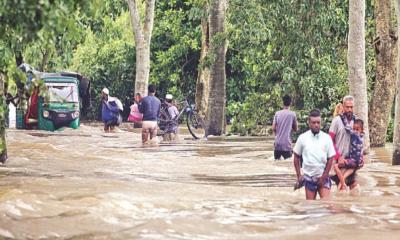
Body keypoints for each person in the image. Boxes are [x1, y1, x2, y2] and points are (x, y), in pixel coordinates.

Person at [293, 109, 336, 200]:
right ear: (309, 123)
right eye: (313, 122)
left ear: (321, 123)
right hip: (309, 178)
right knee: (310, 206)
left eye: (318, 122)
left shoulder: (327, 138)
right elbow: (296, 157)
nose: (316, 125)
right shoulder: (302, 138)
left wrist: (324, 176)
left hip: (323, 177)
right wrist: (299, 176)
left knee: (326, 205)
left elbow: (331, 158)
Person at [329, 95, 360, 190]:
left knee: (355, 188)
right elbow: (329, 140)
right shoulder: (337, 121)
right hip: (339, 161)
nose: (350, 109)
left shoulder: (356, 121)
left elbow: (359, 141)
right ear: (343, 106)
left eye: (351, 107)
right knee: (342, 189)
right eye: (347, 107)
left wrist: (359, 155)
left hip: (350, 161)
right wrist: (338, 156)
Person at [333, 119, 364, 190]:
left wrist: (342, 118)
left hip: (353, 160)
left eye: (357, 129)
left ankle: (342, 183)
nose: (355, 131)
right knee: (351, 170)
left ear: (361, 130)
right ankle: (342, 183)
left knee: (335, 166)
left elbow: (347, 127)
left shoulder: (355, 135)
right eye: (354, 129)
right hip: (357, 161)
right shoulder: (362, 136)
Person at [272, 95, 298, 160]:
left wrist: (276, 136)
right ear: (290, 103)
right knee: (288, 163)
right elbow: (296, 129)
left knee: (276, 163)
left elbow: (273, 128)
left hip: (277, 144)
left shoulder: (277, 113)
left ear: (282, 103)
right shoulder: (292, 114)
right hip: (287, 144)